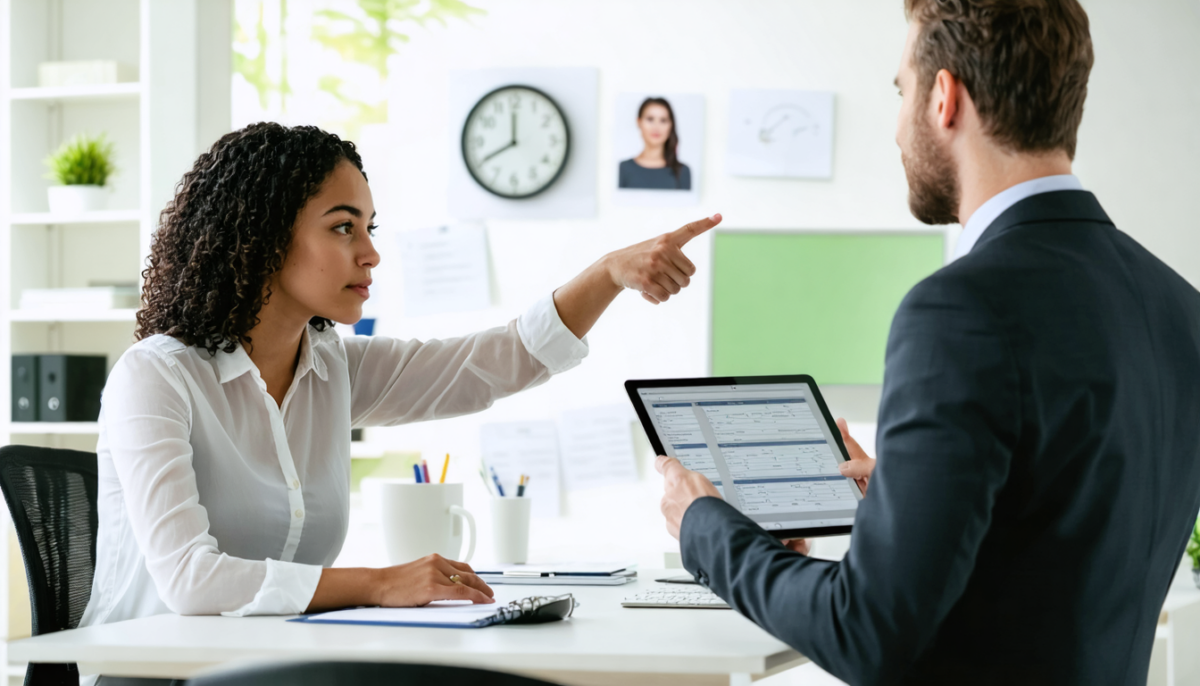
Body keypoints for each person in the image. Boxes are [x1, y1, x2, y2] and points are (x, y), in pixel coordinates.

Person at [656, 1, 1200, 684]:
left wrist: (704, 525)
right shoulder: (1179, 305)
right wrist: (911, 498)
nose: (895, 127)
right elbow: (1059, 541)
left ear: (944, 98)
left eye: (901, 91)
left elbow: (865, 633)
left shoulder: (958, 309)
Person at [79, 122, 719, 683]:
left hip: (273, 669)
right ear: (263, 238)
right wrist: (382, 583)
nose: (371, 252)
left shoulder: (332, 365)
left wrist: (608, 274)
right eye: (343, 227)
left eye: (369, 227)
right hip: (154, 676)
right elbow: (191, 580)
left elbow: (494, 363)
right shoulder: (157, 376)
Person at [618, 97, 692, 190]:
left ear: (671, 125)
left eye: (663, 120)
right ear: (639, 122)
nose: (656, 127)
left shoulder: (682, 171)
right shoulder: (622, 169)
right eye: (650, 119)